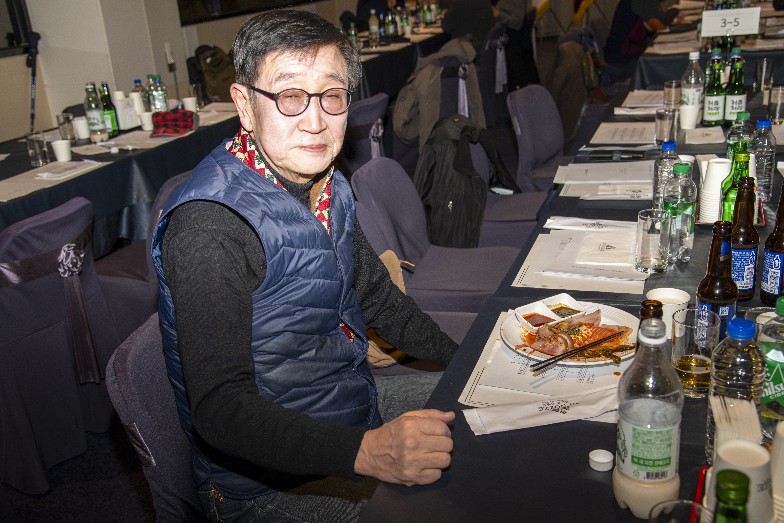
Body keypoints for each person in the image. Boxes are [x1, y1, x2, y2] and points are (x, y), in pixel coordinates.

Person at [150, 9, 458, 522]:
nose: (315, 121)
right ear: (245, 106)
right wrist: (369, 452)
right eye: (290, 96)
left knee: (486, 411)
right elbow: (220, 411)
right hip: (264, 485)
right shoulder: (209, 226)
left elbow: (379, 299)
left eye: (331, 96)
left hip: (348, 404)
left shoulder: (327, 183)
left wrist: (465, 364)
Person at [603, 0, 679, 79]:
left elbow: (660, 21)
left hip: (629, 56)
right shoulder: (640, 1)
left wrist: (673, 13)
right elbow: (658, 26)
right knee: (670, 68)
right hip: (622, 63)